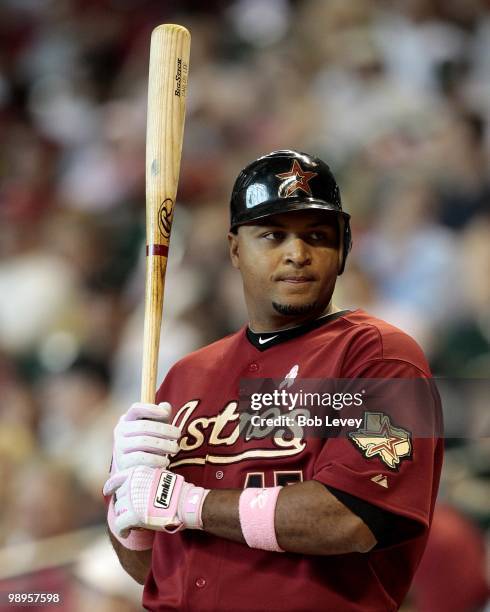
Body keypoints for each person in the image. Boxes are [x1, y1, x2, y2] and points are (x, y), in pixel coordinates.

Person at [104, 150, 443, 611]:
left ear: (343, 249)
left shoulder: (382, 356)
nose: (297, 254)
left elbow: (352, 518)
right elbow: (155, 571)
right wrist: (129, 502)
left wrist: (189, 503)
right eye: (272, 234)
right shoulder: (186, 375)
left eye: (317, 236)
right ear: (235, 249)